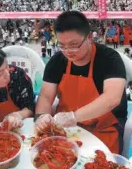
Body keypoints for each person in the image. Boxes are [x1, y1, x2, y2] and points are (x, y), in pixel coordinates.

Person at [35, 11, 127, 154]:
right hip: (66, 128)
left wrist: (74, 117)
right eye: (62, 45)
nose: (68, 51)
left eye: (74, 45)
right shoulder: (57, 61)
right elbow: (46, 97)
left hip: (103, 128)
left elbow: (112, 98)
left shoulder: (109, 59)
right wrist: (41, 116)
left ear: (89, 37)